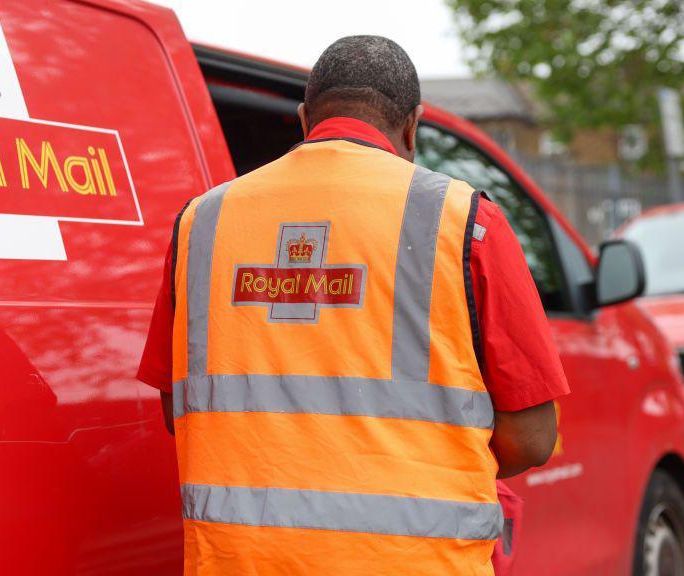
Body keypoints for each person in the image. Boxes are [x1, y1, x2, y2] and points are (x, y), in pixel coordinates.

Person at [137, 36, 569, 575]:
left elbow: (181, 413)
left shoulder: (200, 224)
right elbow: (532, 438)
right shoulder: (466, 222)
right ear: (413, 125)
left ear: (303, 120)